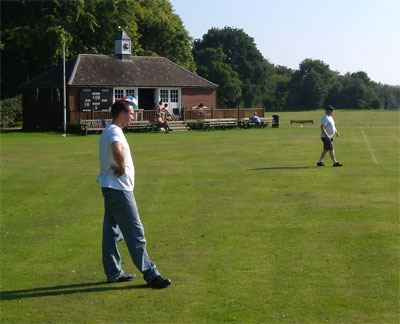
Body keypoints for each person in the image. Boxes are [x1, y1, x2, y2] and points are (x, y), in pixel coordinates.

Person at [98, 99, 171, 288]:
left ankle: (114, 272)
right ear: (121, 113)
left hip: (111, 188)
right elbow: (117, 148)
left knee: (111, 233)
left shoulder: (109, 130)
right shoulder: (114, 131)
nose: (133, 116)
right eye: (131, 113)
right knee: (135, 232)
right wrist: (121, 165)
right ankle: (151, 274)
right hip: (119, 190)